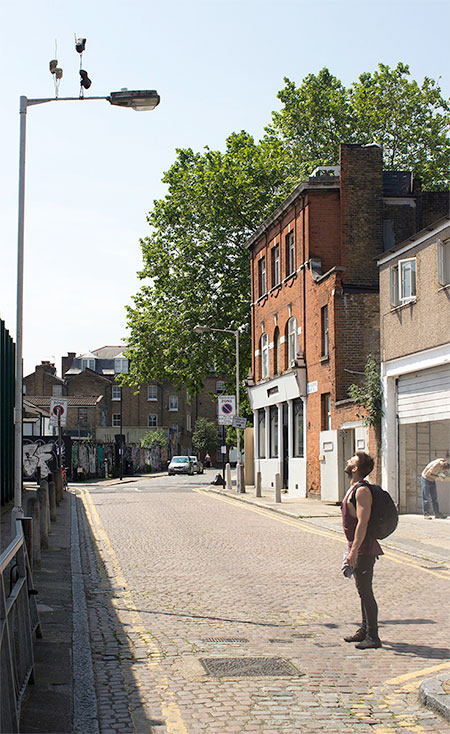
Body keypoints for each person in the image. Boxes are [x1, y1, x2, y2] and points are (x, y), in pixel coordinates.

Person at [341, 451, 383, 650]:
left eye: (352, 460)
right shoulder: (354, 489)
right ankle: (365, 629)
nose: (348, 461)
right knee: (361, 589)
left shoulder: (362, 491)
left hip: (364, 548)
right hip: (357, 547)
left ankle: (373, 636)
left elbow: (363, 523)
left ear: (356, 469)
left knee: (366, 591)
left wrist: (354, 550)